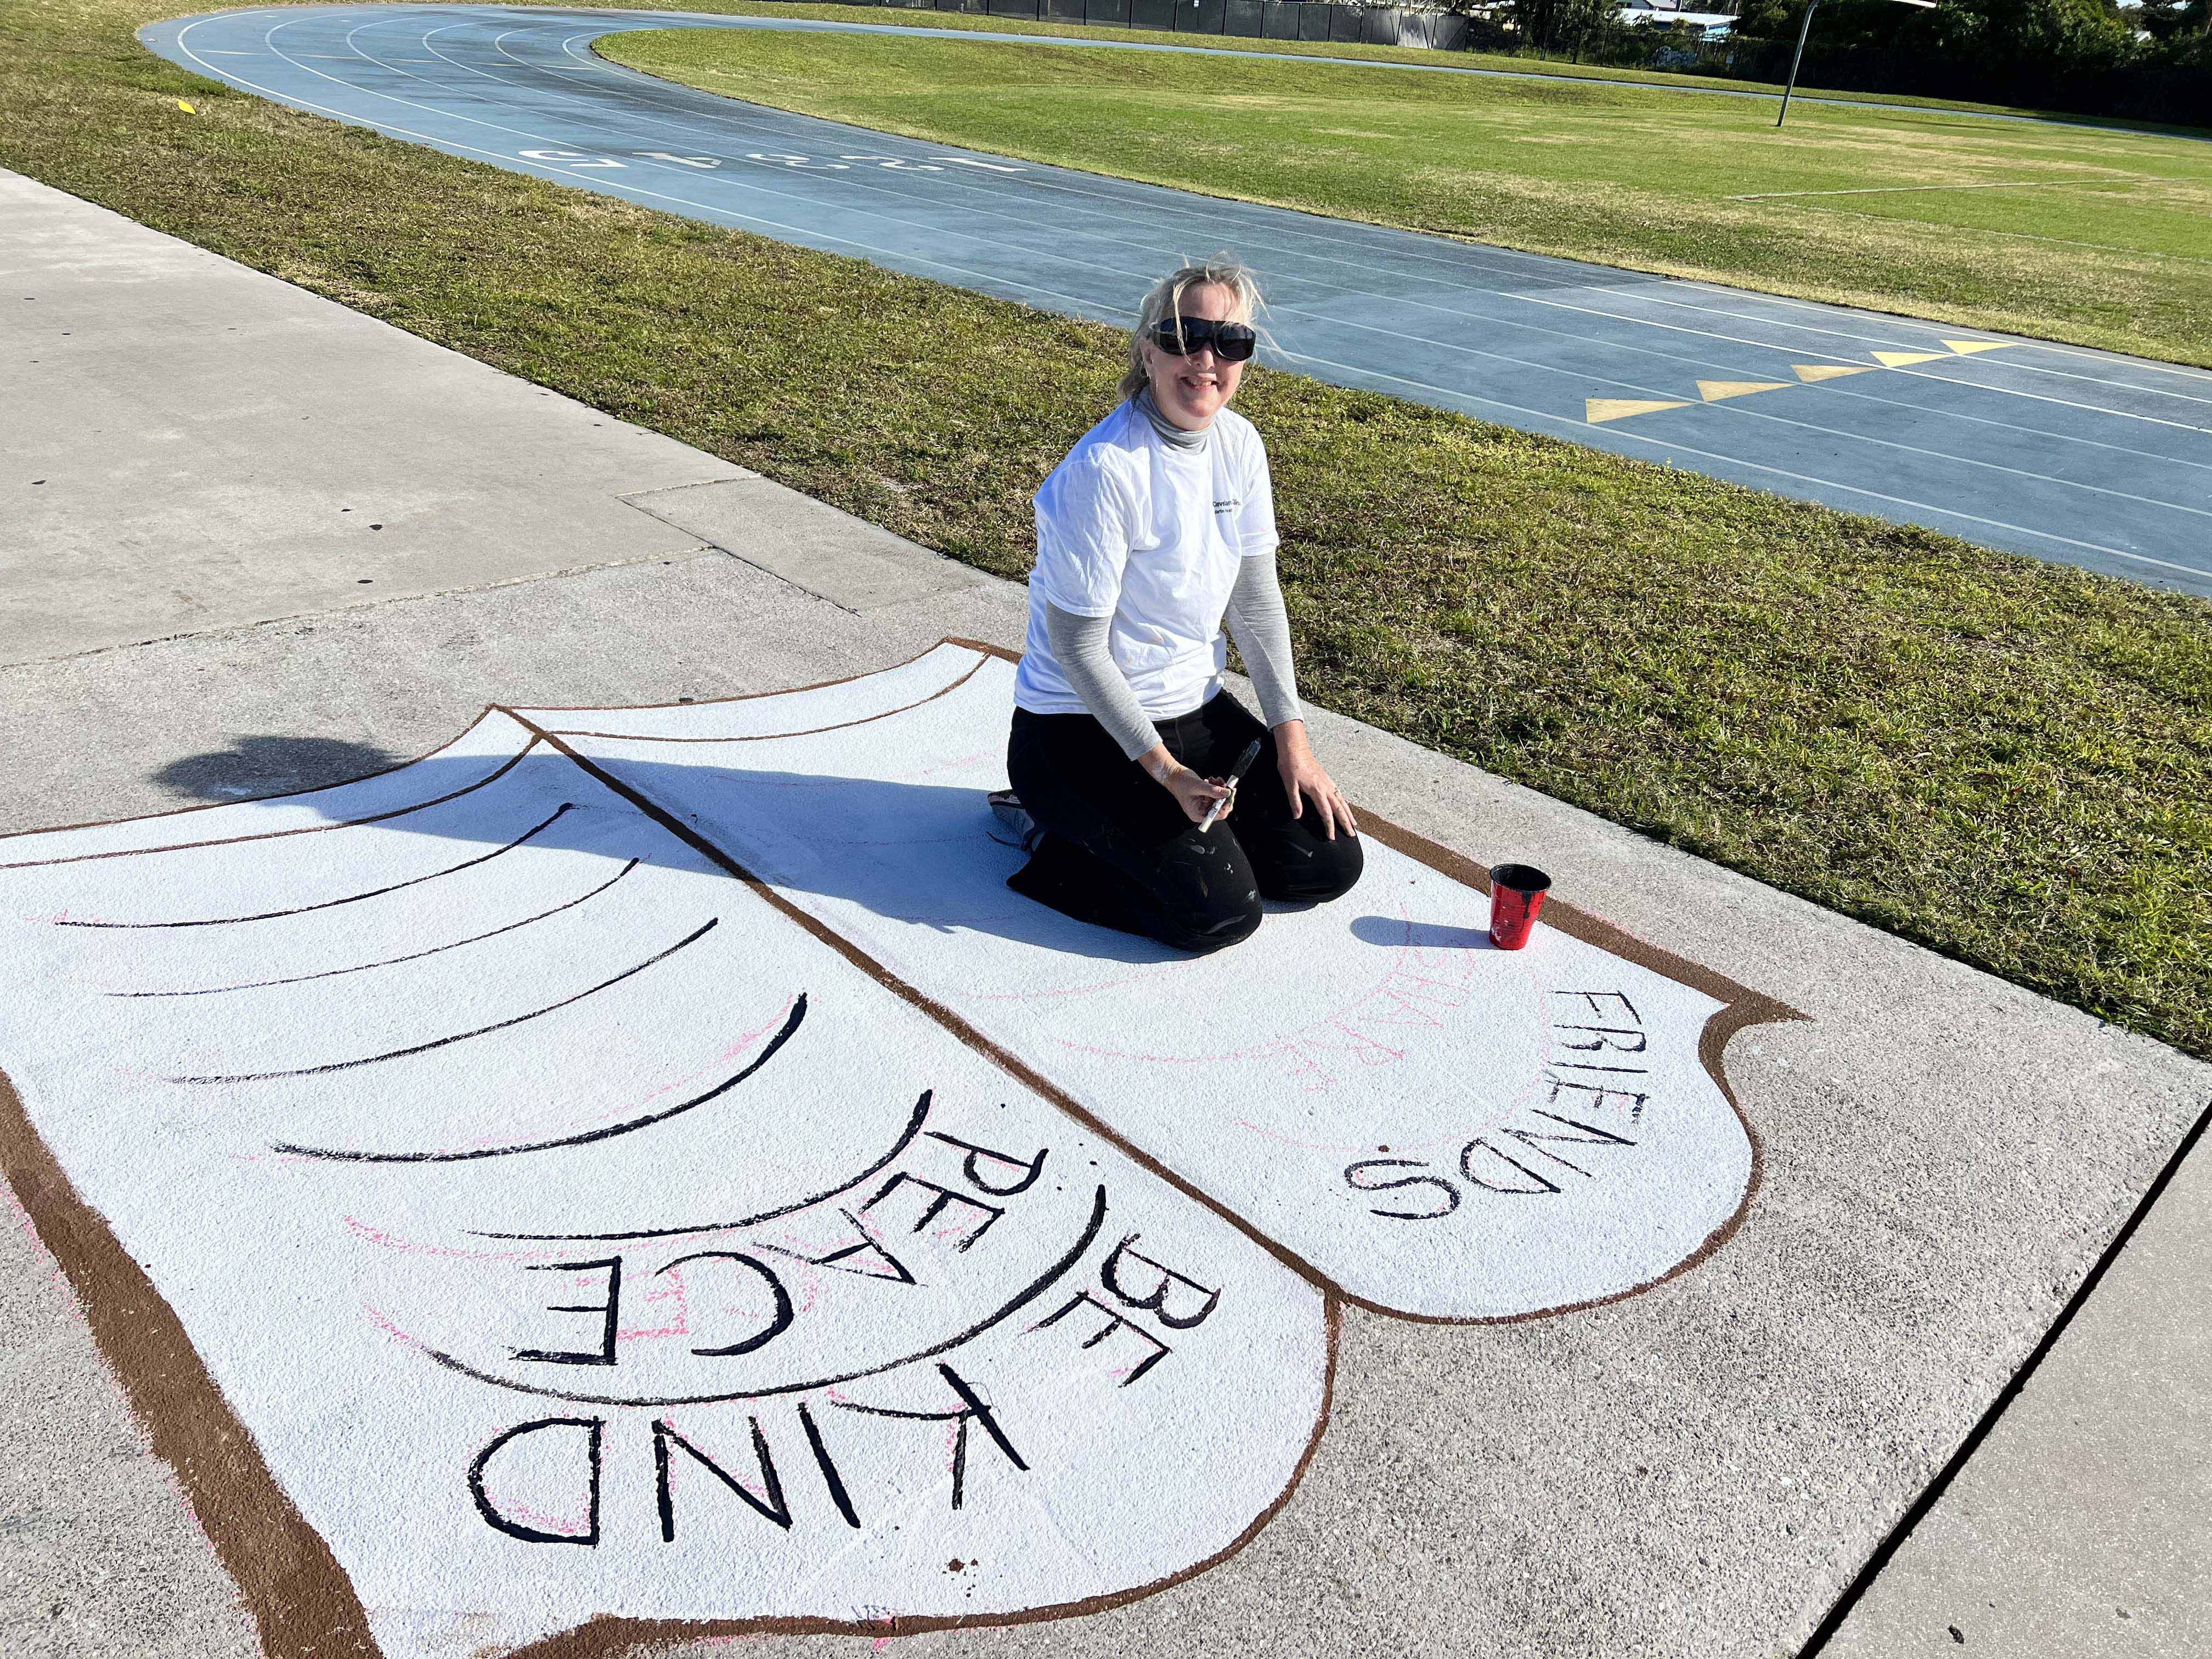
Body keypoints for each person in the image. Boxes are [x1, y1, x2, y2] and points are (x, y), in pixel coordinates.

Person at [990, 257, 1363, 955]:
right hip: (1076, 729)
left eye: (1230, 342)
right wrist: (1167, 774)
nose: (1205, 359)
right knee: (1219, 915)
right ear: (1146, 349)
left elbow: (1254, 602)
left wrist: (1294, 743)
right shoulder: (1106, 471)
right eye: (1183, 337)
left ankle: (1152, 837)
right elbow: (1077, 649)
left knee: (1326, 865)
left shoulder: (1240, 443)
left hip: (1192, 706)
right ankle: (1050, 832)